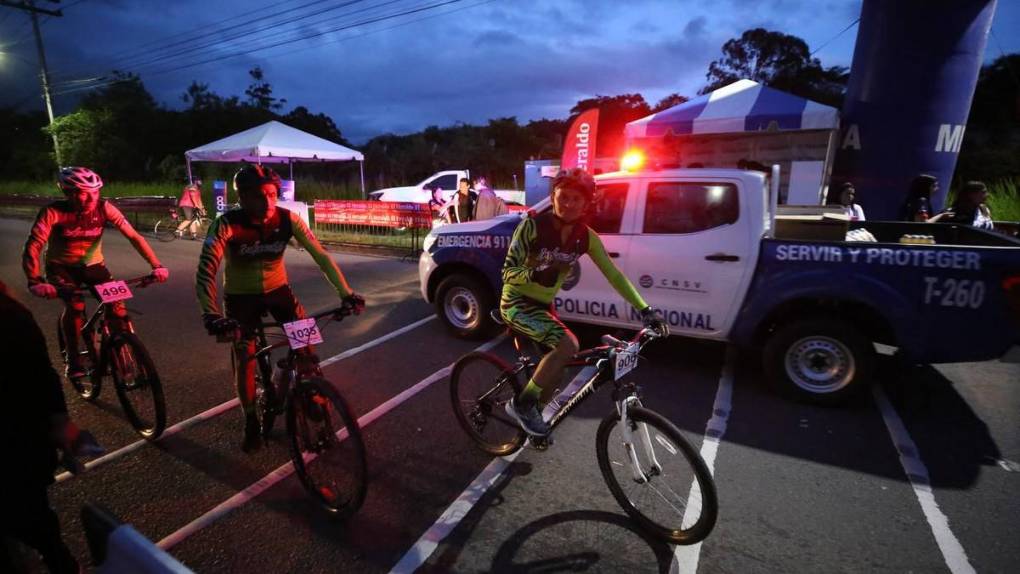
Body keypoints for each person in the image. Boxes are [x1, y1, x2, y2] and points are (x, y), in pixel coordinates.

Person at [195, 164, 365, 453]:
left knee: (307, 349)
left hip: (278, 292)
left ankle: (313, 397)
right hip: (241, 298)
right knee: (245, 358)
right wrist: (211, 313)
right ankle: (250, 419)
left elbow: (321, 257)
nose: (268, 202)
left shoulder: (288, 219)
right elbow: (206, 272)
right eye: (260, 196)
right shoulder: (226, 223)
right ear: (244, 197)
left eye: (273, 195)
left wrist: (346, 293)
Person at [500, 168, 668, 436]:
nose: (567, 204)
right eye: (562, 196)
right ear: (553, 195)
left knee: (556, 372)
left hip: (543, 307)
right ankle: (522, 405)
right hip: (516, 302)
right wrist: (535, 273)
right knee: (569, 344)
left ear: (587, 204)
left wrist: (645, 310)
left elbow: (613, 274)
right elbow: (507, 272)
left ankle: (533, 423)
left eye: (576, 199)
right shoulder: (531, 226)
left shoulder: (585, 237)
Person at [22, 167, 170, 380]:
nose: (89, 197)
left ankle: (119, 348)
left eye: (94, 192)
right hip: (61, 268)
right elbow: (34, 246)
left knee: (117, 306)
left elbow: (134, 237)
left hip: (94, 268)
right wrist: (34, 280)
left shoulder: (105, 208)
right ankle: (73, 359)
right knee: (75, 306)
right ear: (68, 193)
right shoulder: (53, 212)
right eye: (81, 192)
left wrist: (157, 265)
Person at [0, 280, 81, 574]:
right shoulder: (12, 313)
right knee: (36, 520)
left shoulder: (10, 315)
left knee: (35, 521)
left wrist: (60, 423)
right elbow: (43, 376)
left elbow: (41, 375)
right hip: (24, 446)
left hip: (18, 447)